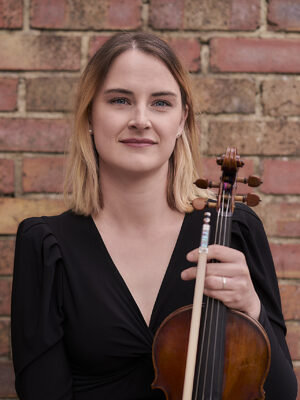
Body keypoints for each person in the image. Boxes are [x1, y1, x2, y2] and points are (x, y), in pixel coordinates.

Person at [11, 31, 297, 400]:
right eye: (119, 100)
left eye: (161, 103)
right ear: (90, 117)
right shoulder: (47, 246)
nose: (141, 120)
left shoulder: (235, 230)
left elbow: (281, 394)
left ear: (181, 121)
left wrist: (252, 308)